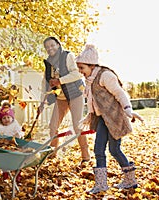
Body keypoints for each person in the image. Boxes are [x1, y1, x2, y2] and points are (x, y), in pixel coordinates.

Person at [76, 44, 144, 194]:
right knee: (99, 149)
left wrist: (128, 109)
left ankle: (130, 180)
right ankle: (102, 184)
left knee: (114, 149)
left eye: (82, 68)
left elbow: (119, 93)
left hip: (114, 118)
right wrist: (89, 116)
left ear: (91, 65)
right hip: (103, 119)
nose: (81, 72)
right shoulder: (90, 80)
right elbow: (95, 102)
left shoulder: (105, 76)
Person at [42, 36, 90, 162]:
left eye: (52, 45)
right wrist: (43, 101)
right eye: (47, 47)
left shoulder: (67, 56)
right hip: (61, 98)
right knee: (53, 125)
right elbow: (46, 83)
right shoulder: (48, 63)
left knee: (77, 126)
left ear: (58, 45)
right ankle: (53, 153)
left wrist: (60, 80)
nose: (50, 48)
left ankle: (86, 156)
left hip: (75, 95)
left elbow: (76, 74)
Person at [0, 102, 24, 182]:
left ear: (12, 117)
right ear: (1, 120)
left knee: (17, 160)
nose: (6, 120)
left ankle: (18, 174)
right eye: (4, 118)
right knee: (4, 162)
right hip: (4, 147)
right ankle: (5, 174)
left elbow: (19, 133)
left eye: (8, 117)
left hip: (14, 145)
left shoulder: (15, 125)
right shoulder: (0, 126)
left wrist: (18, 134)